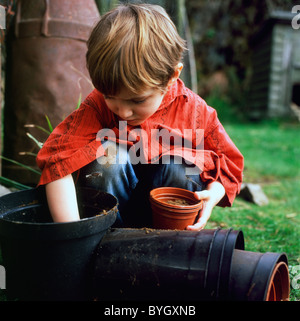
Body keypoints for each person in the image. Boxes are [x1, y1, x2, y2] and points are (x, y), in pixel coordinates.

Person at [36, 3, 243, 230]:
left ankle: (169, 247)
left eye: (137, 100)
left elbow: (229, 165)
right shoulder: (96, 107)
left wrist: (213, 194)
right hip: (112, 218)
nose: (123, 112)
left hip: (168, 220)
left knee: (181, 166)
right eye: (109, 96)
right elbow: (59, 163)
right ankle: (108, 244)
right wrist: (71, 234)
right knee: (108, 159)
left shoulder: (194, 111)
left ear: (171, 77)